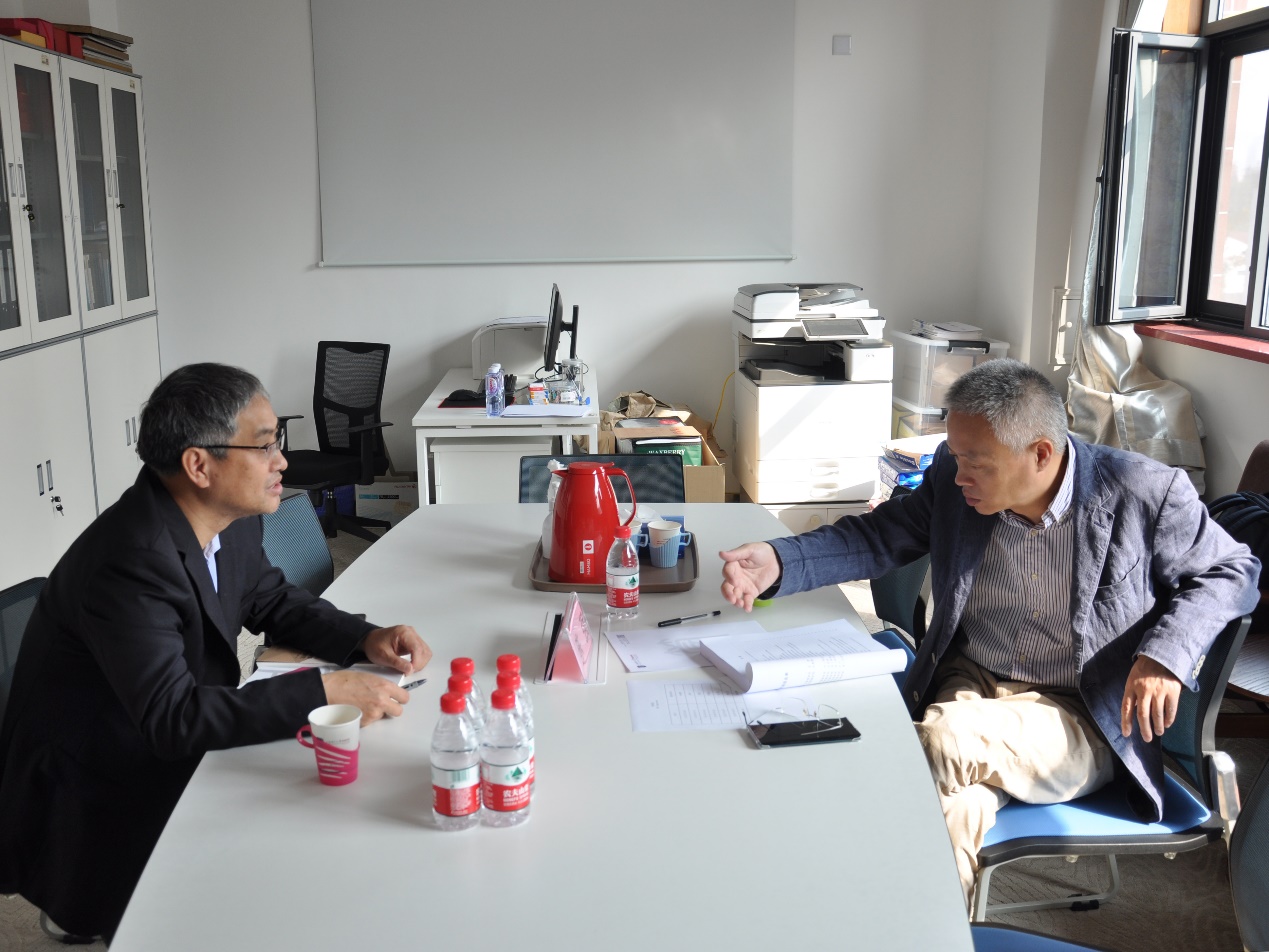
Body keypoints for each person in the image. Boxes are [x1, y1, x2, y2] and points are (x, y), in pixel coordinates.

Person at [720, 358, 1260, 905]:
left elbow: (1234, 569)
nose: (958, 475)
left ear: (1041, 454)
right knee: (956, 805)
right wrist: (779, 560)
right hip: (974, 679)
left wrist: (1165, 655)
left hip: (1082, 711)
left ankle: (801, 875)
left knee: (939, 741)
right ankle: (922, 930)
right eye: (955, 457)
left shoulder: (1143, 491)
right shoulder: (954, 482)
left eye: (975, 462)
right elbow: (880, 536)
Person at [0, 363, 432, 940]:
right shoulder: (130, 562)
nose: (282, 461)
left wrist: (362, 638)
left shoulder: (232, 519)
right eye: (264, 445)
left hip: (157, 733)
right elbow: (172, 718)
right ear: (199, 466)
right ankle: (80, 906)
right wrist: (322, 692)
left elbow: (270, 598)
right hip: (99, 782)